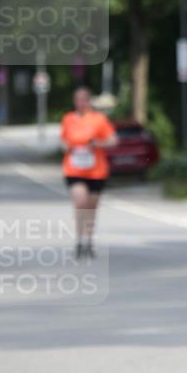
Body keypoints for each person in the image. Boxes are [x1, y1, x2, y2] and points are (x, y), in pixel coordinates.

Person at [59, 87, 117, 259]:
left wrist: (98, 144)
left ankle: (88, 240)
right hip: (74, 168)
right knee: (80, 202)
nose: (81, 103)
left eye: (84, 99)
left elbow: (113, 140)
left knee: (91, 206)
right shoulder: (68, 119)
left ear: (89, 101)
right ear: (74, 101)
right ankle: (79, 240)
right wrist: (66, 146)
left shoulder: (99, 119)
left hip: (96, 171)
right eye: (78, 99)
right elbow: (62, 141)